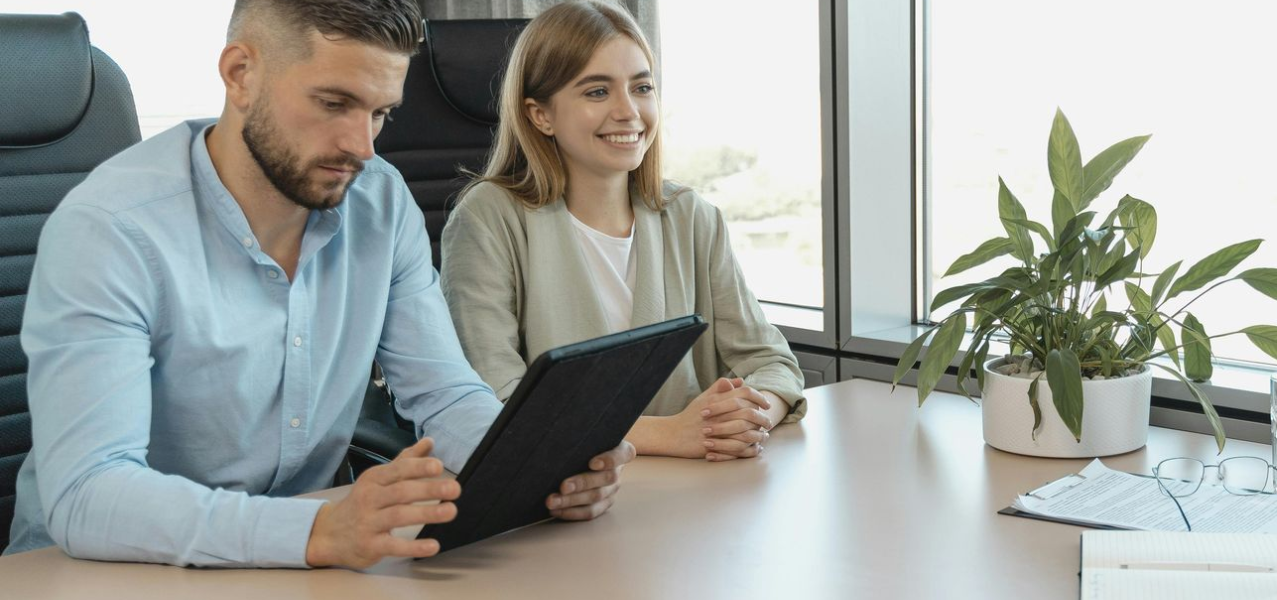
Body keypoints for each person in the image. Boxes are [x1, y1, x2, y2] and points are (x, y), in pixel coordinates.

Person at [3, 0, 633, 569]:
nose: (361, 146)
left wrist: (535, 472)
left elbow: (443, 394)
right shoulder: (113, 230)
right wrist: (318, 530)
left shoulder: (380, 200)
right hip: (92, 571)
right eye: (333, 103)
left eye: (381, 113)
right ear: (240, 74)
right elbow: (89, 493)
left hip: (297, 561)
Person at [441, 0, 806, 463]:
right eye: (597, 92)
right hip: (566, 491)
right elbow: (495, 400)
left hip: (695, 486)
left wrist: (750, 417)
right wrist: (670, 435)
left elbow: (771, 362)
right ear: (540, 115)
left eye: (642, 87)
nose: (628, 111)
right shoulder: (489, 218)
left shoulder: (691, 215)